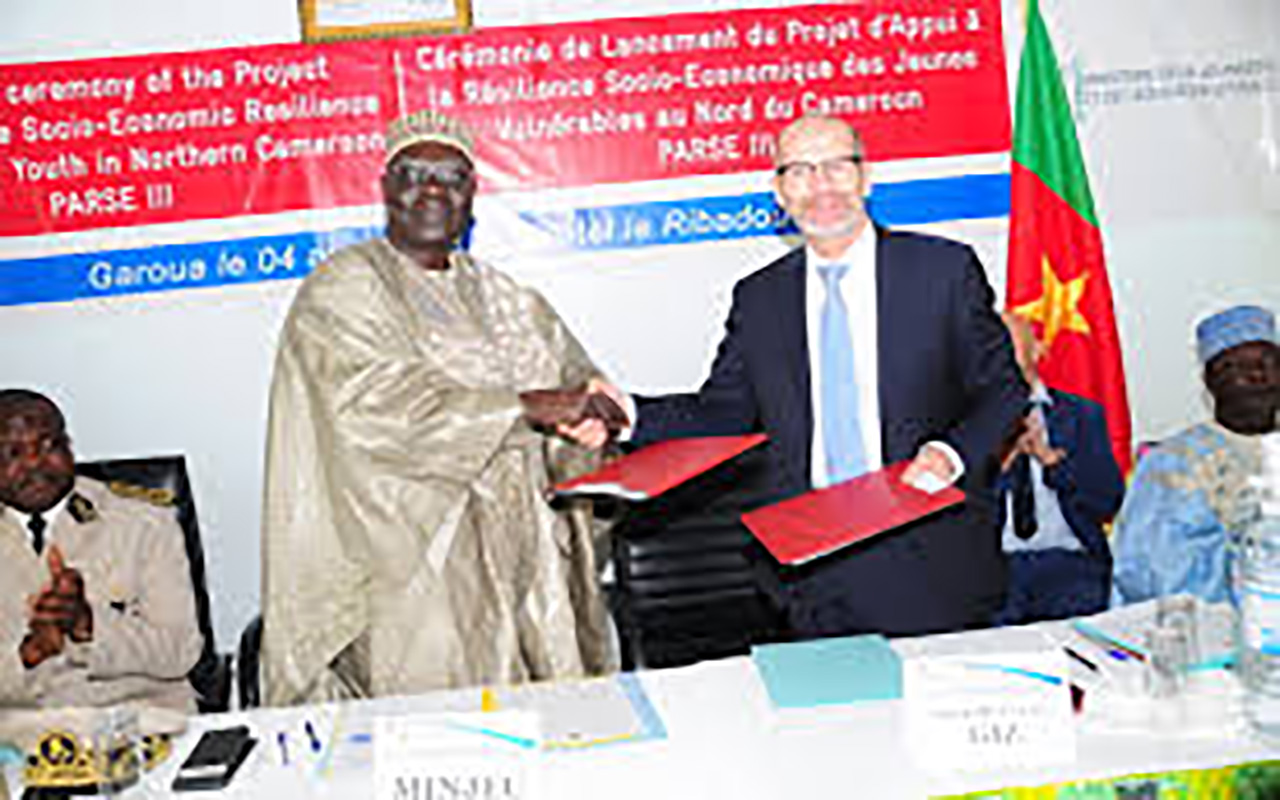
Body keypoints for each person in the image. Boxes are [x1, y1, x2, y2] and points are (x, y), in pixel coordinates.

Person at [585, 115, 1027, 638]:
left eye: (837, 166)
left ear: (866, 177)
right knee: (826, 693)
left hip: (926, 551)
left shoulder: (942, 271)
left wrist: (952, 454)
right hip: (808, 565)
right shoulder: (760, 297)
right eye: (800, 171)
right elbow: (725, 412)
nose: (821, 186)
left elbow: (1003, 390)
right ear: (779, 192)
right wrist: (628, 413)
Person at [260, 109, 623, 706]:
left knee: (550, 727)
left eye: (452, 178)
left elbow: (571, 393)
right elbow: (375, 414)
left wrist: (590, 424)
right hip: (417, 571)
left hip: (528, 561)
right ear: (385, 189)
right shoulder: (344, 287)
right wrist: (527, 408)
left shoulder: (509, 298)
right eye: (414, 174)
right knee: (438, 732)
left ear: (471, 196)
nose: (433, 190)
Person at [0, 389, 203, 712]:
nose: (35, 463)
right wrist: (30, 653)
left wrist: (89, 625)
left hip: (137, 717)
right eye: (13, 453)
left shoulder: (142, 522)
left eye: (50, 445)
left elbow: (181, 650)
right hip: (21, 729)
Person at [1111, 305, 1280, 605]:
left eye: (1267, 363)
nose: (1257, 375)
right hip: (1211, 623)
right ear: (1210, 382)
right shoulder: (1172, 463)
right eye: (1236, 366)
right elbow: (1152, 576)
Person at [994, 312, 1124, 624]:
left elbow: (1108, 502)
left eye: (1010, 343)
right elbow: (956, 512)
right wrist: (1003, 463)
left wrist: (1053, 464)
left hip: (1069, 561)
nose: (999, 353)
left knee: (1085, 635)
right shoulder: (963, 421)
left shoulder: (1081, 415)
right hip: (994, 565)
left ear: (1038, 350)